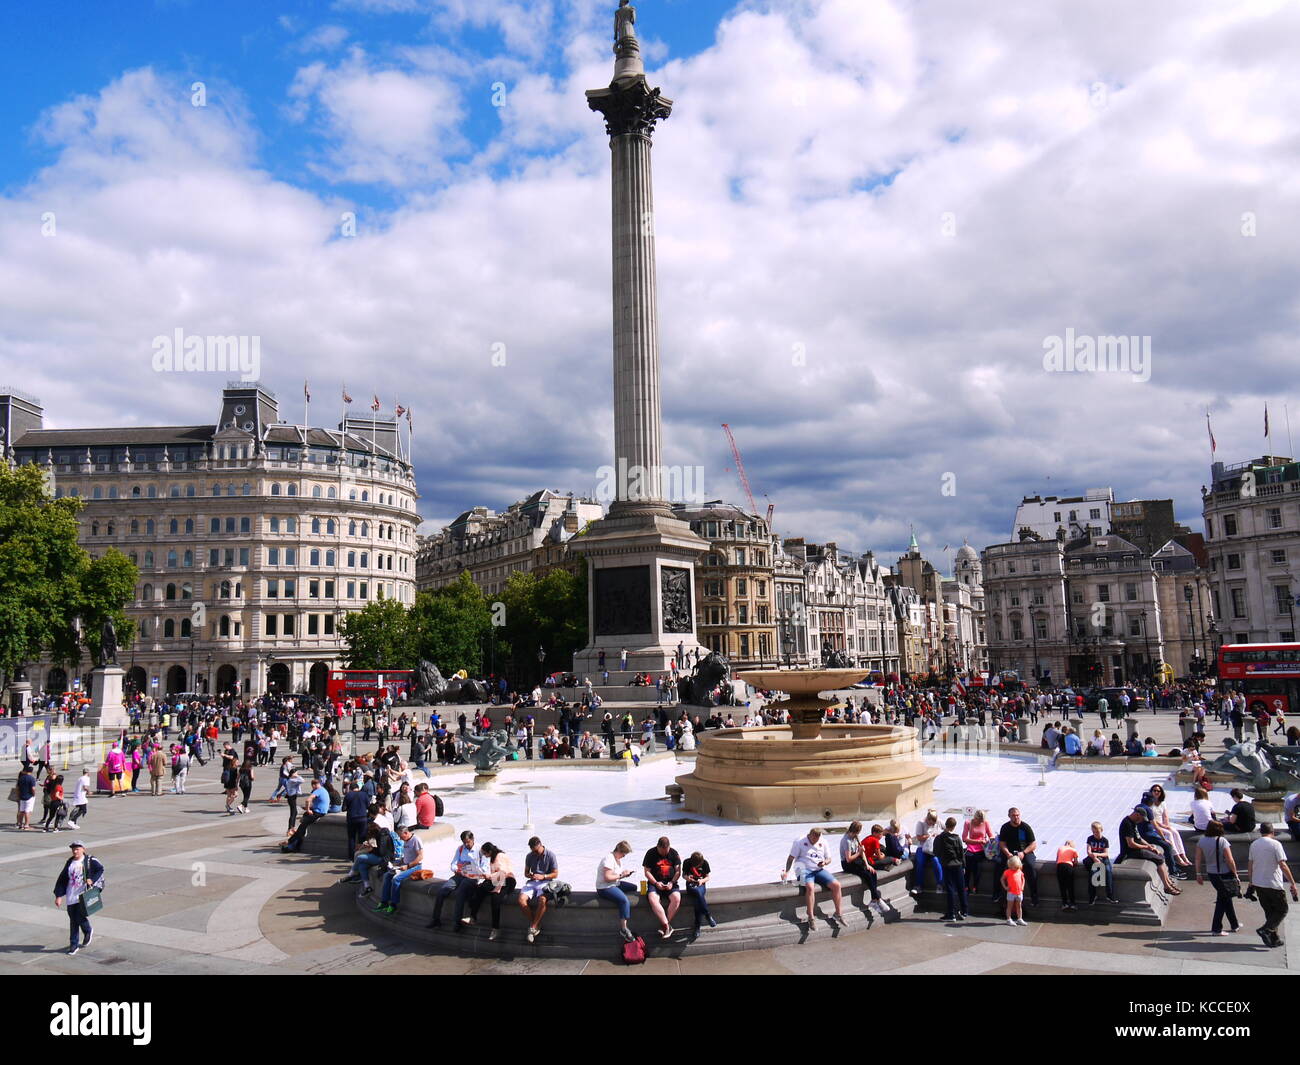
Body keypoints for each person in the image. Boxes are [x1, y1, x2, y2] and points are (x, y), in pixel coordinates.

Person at [783, 828, 845, 930]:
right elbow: (791, 858)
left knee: (837, 885)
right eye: (814, 839)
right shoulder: (799, 841)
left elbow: (829, 858)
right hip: (803, 869)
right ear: (810, 835)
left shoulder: (823, 841)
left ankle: (838, 913)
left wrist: (825, 862)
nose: (815, 841)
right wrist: (786, 871)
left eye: (817, 839)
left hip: (818, 870)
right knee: (810, 887)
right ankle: (811, 916)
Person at [1248, 823, 1298, 948]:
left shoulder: (1254, 844)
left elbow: (1250, 864)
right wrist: (1292, 882)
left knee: (1270, 912)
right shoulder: (1276, 844)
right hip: (1273, 883)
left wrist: (1251, 881)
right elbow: (1283, 865)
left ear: (1260, 831)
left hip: (1259, 883)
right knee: (1282, 910)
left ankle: (1274, 939)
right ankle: (1265, 930)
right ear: (1273, 831)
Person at [54, 839, 105, 955]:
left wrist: (92, 879)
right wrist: (58, 896)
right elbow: (62, 879)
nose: (75, 851)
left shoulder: (89, 860)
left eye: (77, 849)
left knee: (75, 920)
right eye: (73, 849)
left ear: (83, 849)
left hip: (82, 895)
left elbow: (100, 869)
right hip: (71, 895)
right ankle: (87, 930)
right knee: (74, 918)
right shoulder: (70, 863)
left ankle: (74, 944)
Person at [430, 830, 487, 928]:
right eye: (464, 842)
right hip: (459, 875)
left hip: (472, 877)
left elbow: (485, 868)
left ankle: (457, 921)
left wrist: (472, 870)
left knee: (461, 891)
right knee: (442, 891)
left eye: (468, 842)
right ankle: (436, 919)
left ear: (472, 840)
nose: (466, 844)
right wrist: (457, 869)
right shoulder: (460, 849)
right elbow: (453, 863)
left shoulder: (480, 850)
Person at [1116, 807, 1180, 894]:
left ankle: (1168, 882)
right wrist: (1146, 848)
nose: (1142, 820)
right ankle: (1167, 887)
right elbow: (1131, 844)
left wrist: (1149, 845)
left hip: (1139, 848)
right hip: (1132, 851)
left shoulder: (1133, 822)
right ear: (1137, 814)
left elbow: (1139, 838)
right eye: (1141, 818)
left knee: (1160, 856)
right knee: (1159, 859)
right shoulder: (1127, 824)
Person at [1195, 820, 1241, 936]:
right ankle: (1216, 929)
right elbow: (1230, 860)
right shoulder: (1222, 841)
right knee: (1222, 900)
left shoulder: (1202, 840)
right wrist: (1235, 873)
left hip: (1211, 873)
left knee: (1226, 898)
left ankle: (1234, 924)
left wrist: (1198, 874)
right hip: (1224, 873)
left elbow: (1198, 859)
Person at [993, 808, 1039, 907]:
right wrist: (1007, 853)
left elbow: (1033, 844)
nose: (1016, 817)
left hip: (1024, 852)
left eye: (1018, 815)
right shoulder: (1005, 827)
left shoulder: (1025, 827)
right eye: (1014, 815)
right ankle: (996, 893)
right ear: (1009, 816)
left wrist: (1024, 852)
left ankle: (1034, 897)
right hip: (1009, 853)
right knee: (999, 864)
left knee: (1030, 866)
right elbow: (1002, 843)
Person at [840, 821, 887, 915]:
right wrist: (859, 852)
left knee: (872, 872)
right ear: (856, 831)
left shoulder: (856, 837)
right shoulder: (847, 840)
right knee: (867, 875)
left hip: (856, 860)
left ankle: (874, 899)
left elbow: (862, 853)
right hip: (847, 864)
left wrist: (867, 865)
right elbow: (848, 859)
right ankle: (877, 898)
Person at [374, 826, 424, 915]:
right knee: (387, 875)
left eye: (401, 836)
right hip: (405, 864)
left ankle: (393, 904)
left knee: (396, 879)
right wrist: (398, 863)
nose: (400, 838)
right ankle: (384, 902)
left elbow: (420, 857)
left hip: (415, 866)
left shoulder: (416, 840)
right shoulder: (405, 841)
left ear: (406, 833)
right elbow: (407, 855)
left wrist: (408, 866)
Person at [518, 836, 558, 944]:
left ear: (540, 845)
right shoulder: (529, 856)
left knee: (542, 900)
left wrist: (543, 876)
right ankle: (535, 924)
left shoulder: (550, 855)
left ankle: (533, 927)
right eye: (533, 851)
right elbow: (526, 873)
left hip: (545, 882)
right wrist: (530, 875)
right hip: (532, 881)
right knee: (521, 900)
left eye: (536, 851)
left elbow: (555, 873)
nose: (535, 853)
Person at [641, 836, 683, 938]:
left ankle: (665, 926)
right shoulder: (651, 853)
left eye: (666, 851)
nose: (665, 853)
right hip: (655, 883)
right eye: (662, 851)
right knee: (652, 899)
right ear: (657, 847)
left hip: (671, 882)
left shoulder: (674, 853)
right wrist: (655, 883)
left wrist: (672, 882)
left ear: (669, 847)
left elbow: (678, 871)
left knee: (677, 898)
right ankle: (666, 926)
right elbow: (647, 872)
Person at [596, 841, 639, 943]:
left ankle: (625, 910)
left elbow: (615, 875)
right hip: (604, 887)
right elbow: (607, 877)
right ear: (619, 850)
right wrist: (622, 876)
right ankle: (624, 929)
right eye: (624, 854)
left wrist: (624, 874)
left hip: (615, 884)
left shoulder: (617, 859)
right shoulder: (609, 859)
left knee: (634, 887)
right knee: (624, 900)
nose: (624, 856)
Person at [281, 777, 329, 852]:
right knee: (303, 826)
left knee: (302, 826)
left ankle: (291, 842)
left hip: (318, 812)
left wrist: (308, 809)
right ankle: (295, 845)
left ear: (314, 785)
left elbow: (308, 800)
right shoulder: (323, 790)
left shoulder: (317, 791)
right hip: (321, 811)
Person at [935, 817, 969, 920]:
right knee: (961, 888)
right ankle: (964, 911)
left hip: (947, 865)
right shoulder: (957, 838)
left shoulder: (939, 838)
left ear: (946, 824)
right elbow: (961, 853)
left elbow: (936, 851)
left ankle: (951, 913)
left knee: (950, 889)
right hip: (958, 865)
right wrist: (963, 866)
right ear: (954, 827)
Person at [908, 809, 942, 896]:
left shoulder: (938, 822)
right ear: (928, 819)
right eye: (931, 822)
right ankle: (918, 886)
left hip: (932, 848)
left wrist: (938, 835)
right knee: (920, 862)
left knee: (936, 862)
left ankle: (940, 884)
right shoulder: (921, 823)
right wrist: (928, 836)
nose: (932, 824)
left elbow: (946, 829)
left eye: (934, 823)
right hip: (922, 847)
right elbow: (918, 838)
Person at [683, 851, 716, 936]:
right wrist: (688, 878)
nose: (696, 867)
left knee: (698, 898)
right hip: (691, 884)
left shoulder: (705, 863)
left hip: (701, 884)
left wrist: (701, 881)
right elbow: (683, 875)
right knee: (698, 894)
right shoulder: (687, 862)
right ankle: (707, 915)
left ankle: (697, 927)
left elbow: (707, 877)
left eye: (698, 866)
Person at [961, 810, 994, 894]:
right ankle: (966, 885)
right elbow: (964, 839)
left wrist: (990, 841)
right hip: (971, 847)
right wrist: (978, 841)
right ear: (975, 818)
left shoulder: (985, 823)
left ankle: (975, 885)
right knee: (967, 864)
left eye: (981, 821)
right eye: (979, 821)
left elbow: (991, 835)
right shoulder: (968, 823)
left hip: (982, 849)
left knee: (977, 866)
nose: (980, 823)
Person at [1083, 822, 1116, 904]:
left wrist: (1097, 855)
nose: (1095, 834)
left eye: (1097, 832)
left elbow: (1106, 853)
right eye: (1094, 832)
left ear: (1102, 830)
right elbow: (1088, 851)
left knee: (1108, 871)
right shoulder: (1090, 838)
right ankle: (1092, 895)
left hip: (1103, 858)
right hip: (1092, 858)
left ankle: (1109, 894)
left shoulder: (1105, 840)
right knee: (1093, 873)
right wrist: (1094, 857)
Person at [1002, 856, 1027, 926]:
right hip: (1011, 892)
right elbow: (1002, 879)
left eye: (1017, 867)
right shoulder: (1007, 872)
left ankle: (1019, 918)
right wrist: (1005, 887)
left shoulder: (1019, 871)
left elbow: (1023, 879)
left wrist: (1022, 886)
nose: (1016, 868)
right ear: (1010, 865)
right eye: (1014, 867)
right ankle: (1008, 919)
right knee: (1009, 906)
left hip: (1019, 891)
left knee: (1019, 906)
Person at [1055, 839, 1079, 911]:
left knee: (1062, 886)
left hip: (1059, 867)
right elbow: (1076, 862)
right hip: (1068, 867)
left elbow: (1057, 860)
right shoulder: (1073, 850)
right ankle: (1073, 904)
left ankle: (1064, 904)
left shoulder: (1060, 848)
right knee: (1070, 886)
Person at [15, 764, 37, 831]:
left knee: (21, 811)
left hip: (22, 796)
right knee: (27, 811)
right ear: (31, 771)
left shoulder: (21, 778)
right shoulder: (32, 778)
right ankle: (26, 825)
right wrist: (34, 794)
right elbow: (33, 788)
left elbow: (17, 788)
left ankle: (20, 824)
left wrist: (18, 795)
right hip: (29, 796)